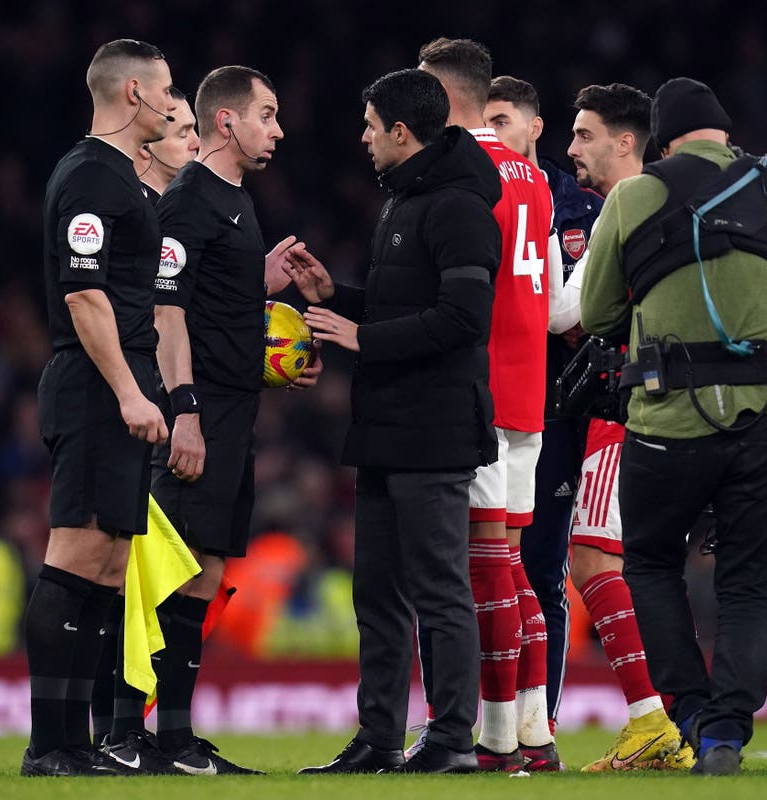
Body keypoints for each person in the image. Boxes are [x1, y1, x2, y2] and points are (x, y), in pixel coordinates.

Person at [579, 77, 767, 775]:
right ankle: (726, 731)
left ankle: (690, 712)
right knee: (750, 583)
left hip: (666, 425)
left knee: (652, 565)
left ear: (664, 141)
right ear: (724, 134)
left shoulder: (635, 194)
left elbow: (599, 313)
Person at [101, 65, 319, 776]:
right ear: (226, 121)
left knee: (208, 569)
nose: (278, 129)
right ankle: (127, 729)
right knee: (169, 570)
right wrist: (185, 410)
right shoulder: (192, 198)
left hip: (237, 408)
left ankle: (177, 738)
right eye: (267, 113)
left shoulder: (235, 201)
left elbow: (214, 306)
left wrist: (266, 323)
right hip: (201, 413)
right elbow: (167, 311)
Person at [292, 67, 501, 775]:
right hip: (385, 425)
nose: (364, 138)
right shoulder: (406, 201)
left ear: (403, 133)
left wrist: (362, 338)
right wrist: (339, 299)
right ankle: (379, 736)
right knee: (376, 593)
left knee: (439, 587)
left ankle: (451, 739)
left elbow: (465, 320)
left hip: (435, 429)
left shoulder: (459, 207)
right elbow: (407, 308)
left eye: (372, 126)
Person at [22, 38, 174, 778]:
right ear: (134, 92)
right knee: (77, 554)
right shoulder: (90, 178)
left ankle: (77, 742)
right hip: (94, 387)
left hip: (119, 383)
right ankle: (48, 745)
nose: (174, 103)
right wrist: (127, 393)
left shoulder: (120, 180)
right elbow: (85, 295)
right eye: (167, 89)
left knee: (110, 566)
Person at [416, 38, 556, 773]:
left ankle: (498, 736)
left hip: (479, 393)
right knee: (513, 566)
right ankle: (533, 731)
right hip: (528, 391)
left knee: (486, 570)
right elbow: (561, 305)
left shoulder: (461, 172)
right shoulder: (533, 177)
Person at [556, 83, 695, 772]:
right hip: (682, 406)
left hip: (630, 403)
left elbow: (576, 314)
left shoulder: (627, 205)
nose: (572, 148)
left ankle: (652, 722)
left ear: (625, 142)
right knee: (645, 568)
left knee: (591, 559)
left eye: (584, 136)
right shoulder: (676, 201)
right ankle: (680, 720)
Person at [483, 74, 604, 749]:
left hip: (555, 408)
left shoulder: (574, 204)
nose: (492, 133)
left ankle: (538, 719)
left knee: (537, 567)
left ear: (534, 127)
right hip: (493, 400)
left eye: (503, 120)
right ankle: (492, 718)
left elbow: (571, 314)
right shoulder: (475, 194)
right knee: (485, 566)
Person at [88, 82, 200, 749]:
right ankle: (116, 730)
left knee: (134, 576)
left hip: (152, 415)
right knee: (122, 576)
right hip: (138, 417)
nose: (190, 139)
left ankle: (120, 731)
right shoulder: (142, 219)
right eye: (181, 127)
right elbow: (157, 319)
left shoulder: (167, 220)